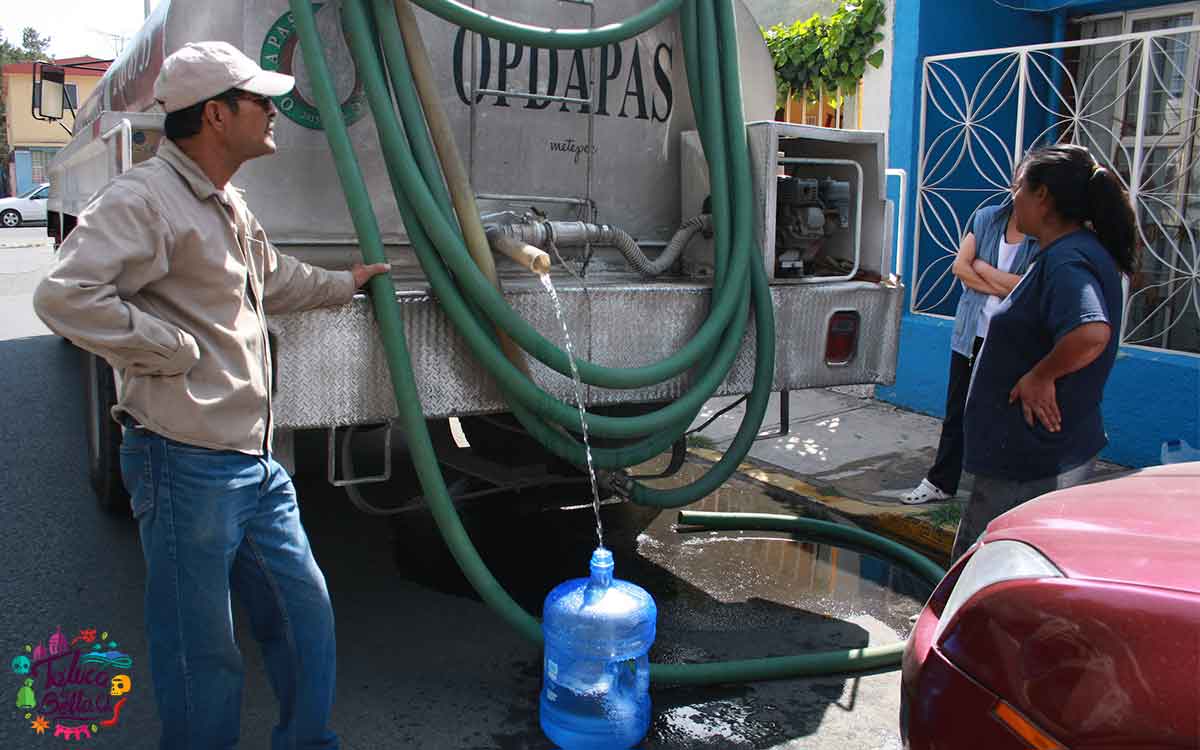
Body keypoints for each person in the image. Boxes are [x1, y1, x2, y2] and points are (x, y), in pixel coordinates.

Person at [33, 41, 390, 748]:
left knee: (304, 615)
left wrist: (347, 283)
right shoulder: (144, 198)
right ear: (219, 115)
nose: (275, 110)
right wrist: (171, 349)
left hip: (254, 464)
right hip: (184, 463)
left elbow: (274, 278)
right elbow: (64, 297)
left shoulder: (225, 201)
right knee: (202, 655)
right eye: (261, 100)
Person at [951, 144, 1138, 561]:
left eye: (1019, 186)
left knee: (986, 574)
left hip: (1028, 463)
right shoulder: (1065, 252)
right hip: (1039, 453)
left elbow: (1091, 332)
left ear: (1043, 196)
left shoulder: (1067, 260)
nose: (1012, 196)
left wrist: (1041, 376)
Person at [903, 186, 1038, 504]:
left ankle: (1006, 490)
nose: (1021, 193)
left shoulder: (1041, 235)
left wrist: (984, 269)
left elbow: (1029, 289)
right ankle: (941, 482)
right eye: (1019, 184)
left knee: (1006, 416)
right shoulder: (987, 218)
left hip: (1010, 339)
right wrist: (1002, 285)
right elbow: (960, 267)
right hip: (971, 333)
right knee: (957, 412)